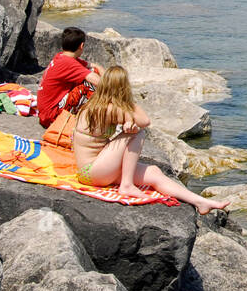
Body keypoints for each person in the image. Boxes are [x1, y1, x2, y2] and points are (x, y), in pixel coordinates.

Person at [72, 67, 230, 212]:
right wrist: (127, 105)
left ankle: (200, 202)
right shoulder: (106, 109)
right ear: (123, 88)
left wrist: (129, 122)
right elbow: (144, 120)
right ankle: (126, 185)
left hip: (99, 169)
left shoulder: (97, 103)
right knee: (138, 133)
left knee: (154, 172)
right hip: (91, 172)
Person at [37, 26, 104, 129]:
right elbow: (98, 81)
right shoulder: (68, 63)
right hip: (52, 116)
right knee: (89, 85)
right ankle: (96, 119)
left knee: (92, 73)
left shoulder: (61, 56)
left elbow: (93, 66)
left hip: (45, 112)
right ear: (82, 45)